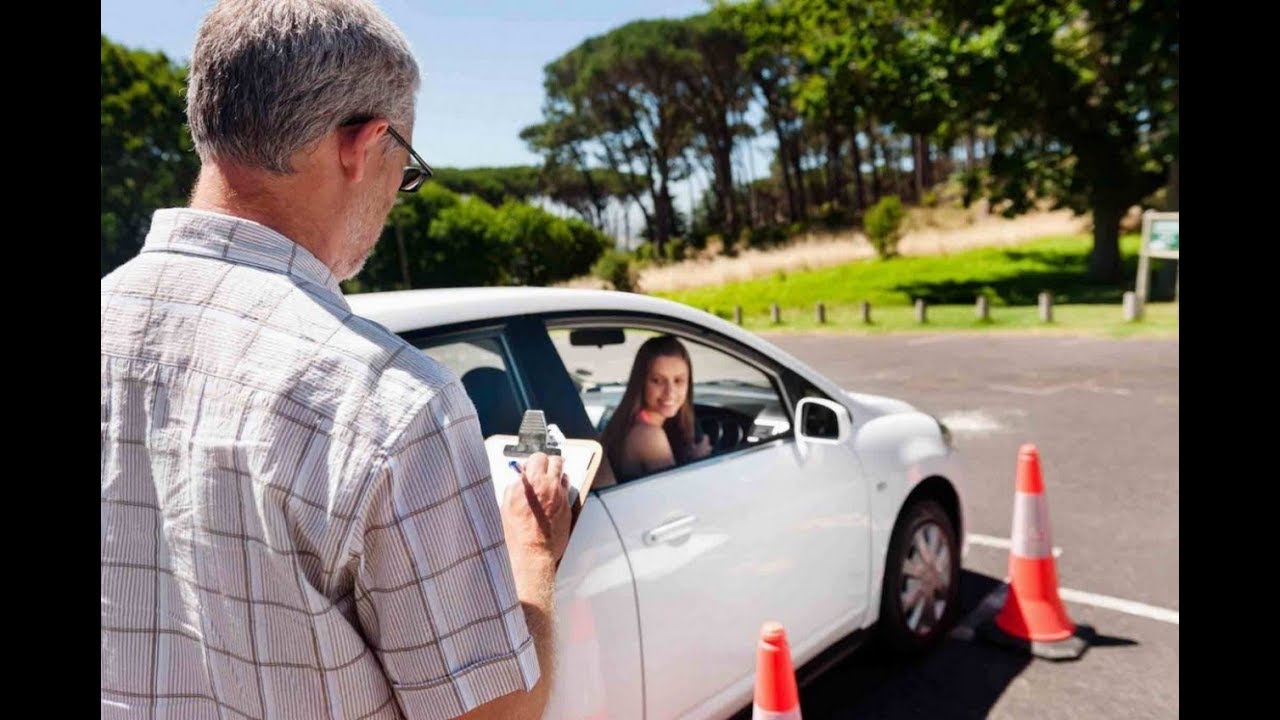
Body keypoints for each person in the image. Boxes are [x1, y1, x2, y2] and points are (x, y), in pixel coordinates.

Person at [100, 2, 569, 718]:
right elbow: (494, 714)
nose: (394, 194)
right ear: (363, 143)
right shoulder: (389, 402)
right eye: (404, 167)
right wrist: (532, 554)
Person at [598, 335, 713, 484]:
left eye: (678, 381)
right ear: (641, 382)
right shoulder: (650, 436)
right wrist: (700, 460)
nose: (670, 392)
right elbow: (676, 497)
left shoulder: (629, 421)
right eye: (657, 381)